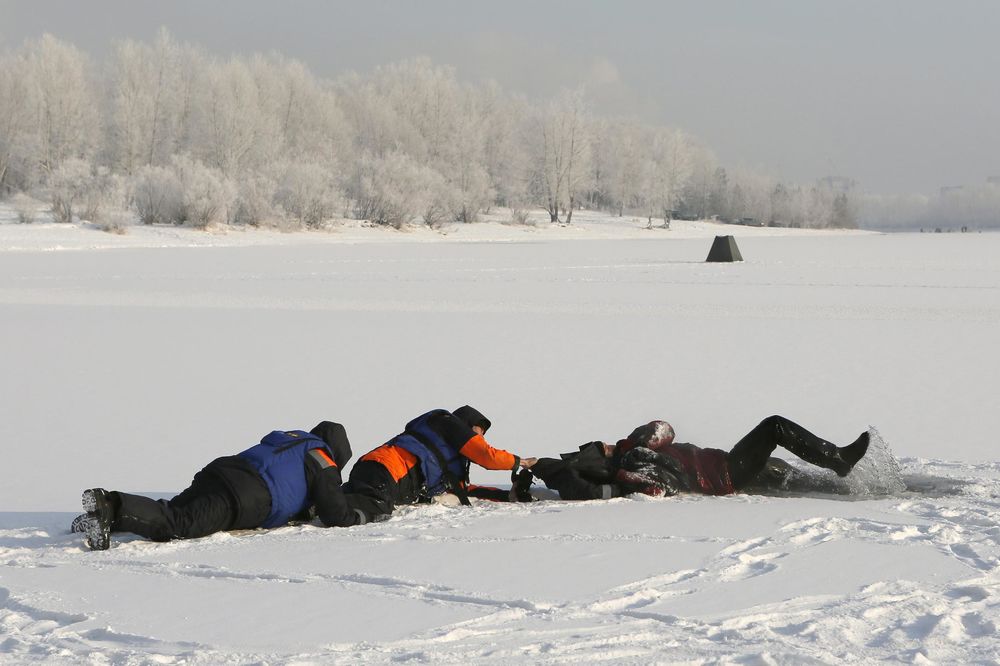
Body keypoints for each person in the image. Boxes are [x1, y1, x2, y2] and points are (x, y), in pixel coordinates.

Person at [73, 421, 354, 550]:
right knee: (180, 523)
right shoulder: (322, 459)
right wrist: (360, 514)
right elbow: (335, 515)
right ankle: (108, 503)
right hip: (243, 496)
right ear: (338, 453)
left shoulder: (295, 439)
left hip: (223, 470)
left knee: (172, 509)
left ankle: (102, 520)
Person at [521, 415, 870, 501]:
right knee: (774, 427)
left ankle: (840, 483)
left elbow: (664, 430)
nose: (609, 443)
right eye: (604, 448)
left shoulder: (635, 452)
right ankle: (837, 459)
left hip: (726, 465)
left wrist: (628, 446)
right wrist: (628, 454)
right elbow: (664, 483)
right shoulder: (633, 462)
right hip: (727, 474)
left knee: (793, 479)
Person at [332, 406, 537, 524]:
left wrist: (506, 496)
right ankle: (330, 511)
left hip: (377, 470)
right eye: (477, 430)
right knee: (377, 507)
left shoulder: (449, 459)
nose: (480, 437)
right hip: (387, 469)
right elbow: (488, 457)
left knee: (352, 496)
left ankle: (321, 501)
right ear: (464, 425)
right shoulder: (448, 424)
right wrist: (521, 462)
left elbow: (465, 492)